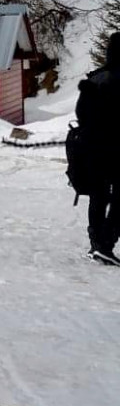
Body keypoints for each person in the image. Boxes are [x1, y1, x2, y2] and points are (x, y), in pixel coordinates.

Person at [74, 32, 120, 265]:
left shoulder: (94, 80)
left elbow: (80, 114)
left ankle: (96, 244)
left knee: (98, 196)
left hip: (92, 150)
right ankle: (105, 243)